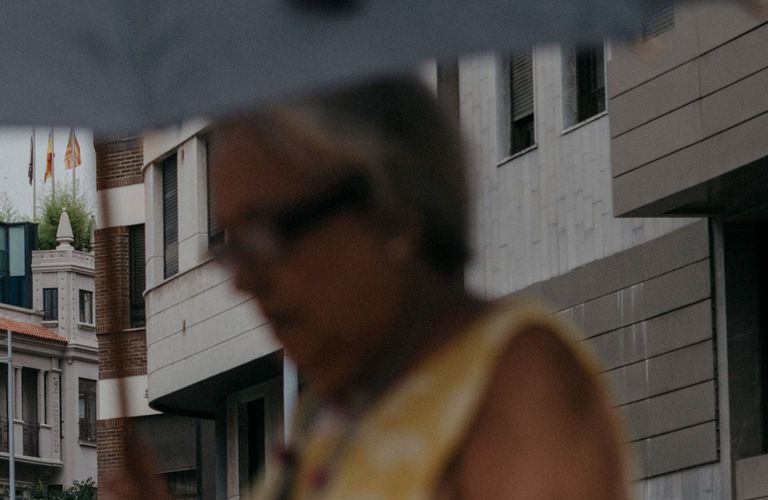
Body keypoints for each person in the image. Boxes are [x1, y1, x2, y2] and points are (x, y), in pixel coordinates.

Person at [122, 75, 626, 500]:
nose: (245, 279)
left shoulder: (516, 381)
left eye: (267, 232)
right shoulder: (324, 412)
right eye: (232, 246)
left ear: (391, 212)